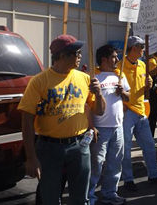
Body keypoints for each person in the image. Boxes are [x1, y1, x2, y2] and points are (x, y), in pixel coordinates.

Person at [19, 34, 105, 204]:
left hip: (80, 146)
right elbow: (27, 119)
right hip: (49, 149)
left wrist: (99, 94)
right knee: (50, 197)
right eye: (76, 53)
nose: (80, 56)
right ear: (62, 55)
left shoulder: (85, 78)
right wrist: (31, 157)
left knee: (80, 198)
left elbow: (99, 111)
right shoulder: (39, 82)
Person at [121, 36, 157, 192]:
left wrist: (150, 84)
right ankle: (128, 179)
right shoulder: (120, 66)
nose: (143, 51)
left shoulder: (142, 65)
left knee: (149, 145)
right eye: (141, 48)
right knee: (126, 148)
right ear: (134, 48)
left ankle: (154, 174)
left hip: (141, 112)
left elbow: (146, 85)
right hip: (127, 112)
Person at [88, 45, 130, 205]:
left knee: (115, 163)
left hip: (118, 127)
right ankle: (90, 196)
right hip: (101, 129)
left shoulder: (119, 75)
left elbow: (128, 98)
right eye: (114, 57)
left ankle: (110, 193)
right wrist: (91, 126)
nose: (117, 60)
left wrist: (123, 93)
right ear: (104, 59)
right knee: (96, 164)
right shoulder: (93, 77)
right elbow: (87, 105)